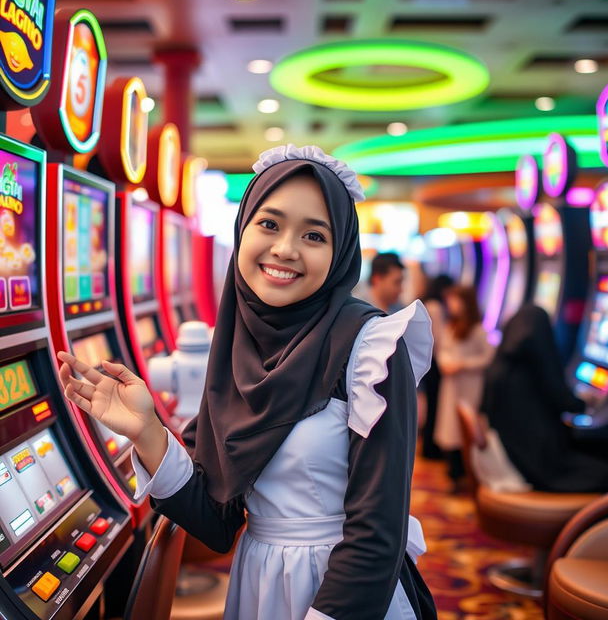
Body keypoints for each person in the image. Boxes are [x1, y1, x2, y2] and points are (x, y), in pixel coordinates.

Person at [57, 144, 437, 620]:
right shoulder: (238, 346)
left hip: (347, 597)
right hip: (260, 587)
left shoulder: (371, 347)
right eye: (269, 224)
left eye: (314, 235)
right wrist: (148, 431)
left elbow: (377, 535)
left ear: (340, 251)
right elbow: (216, 521)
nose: (284, 249)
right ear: (243, 230)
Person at [481, 304, 608, 493]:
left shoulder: (504, 365)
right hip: (538, 467)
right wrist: (586, 401)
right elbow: (563, 400)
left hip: (516, 457)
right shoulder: (534, 363)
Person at [434, 285, 493, 492]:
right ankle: (454, 474)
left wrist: (463, 364)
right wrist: (446, 363)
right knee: (449, 429)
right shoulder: (450, 326)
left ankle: (468, 474)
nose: (451, 305)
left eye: (455, 300)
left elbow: (487, 357)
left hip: (470, 385)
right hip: (451, 385)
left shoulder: (477, 329)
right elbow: (441, 351)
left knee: (465, 430)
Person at [418, 274, 454, 458]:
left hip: (426, 359)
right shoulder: (436, 306)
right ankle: (431, 448)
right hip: (434, 361)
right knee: (434, 405)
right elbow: (438, 338)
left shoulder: (426, 302)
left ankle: (429, 446)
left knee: (432, 404)